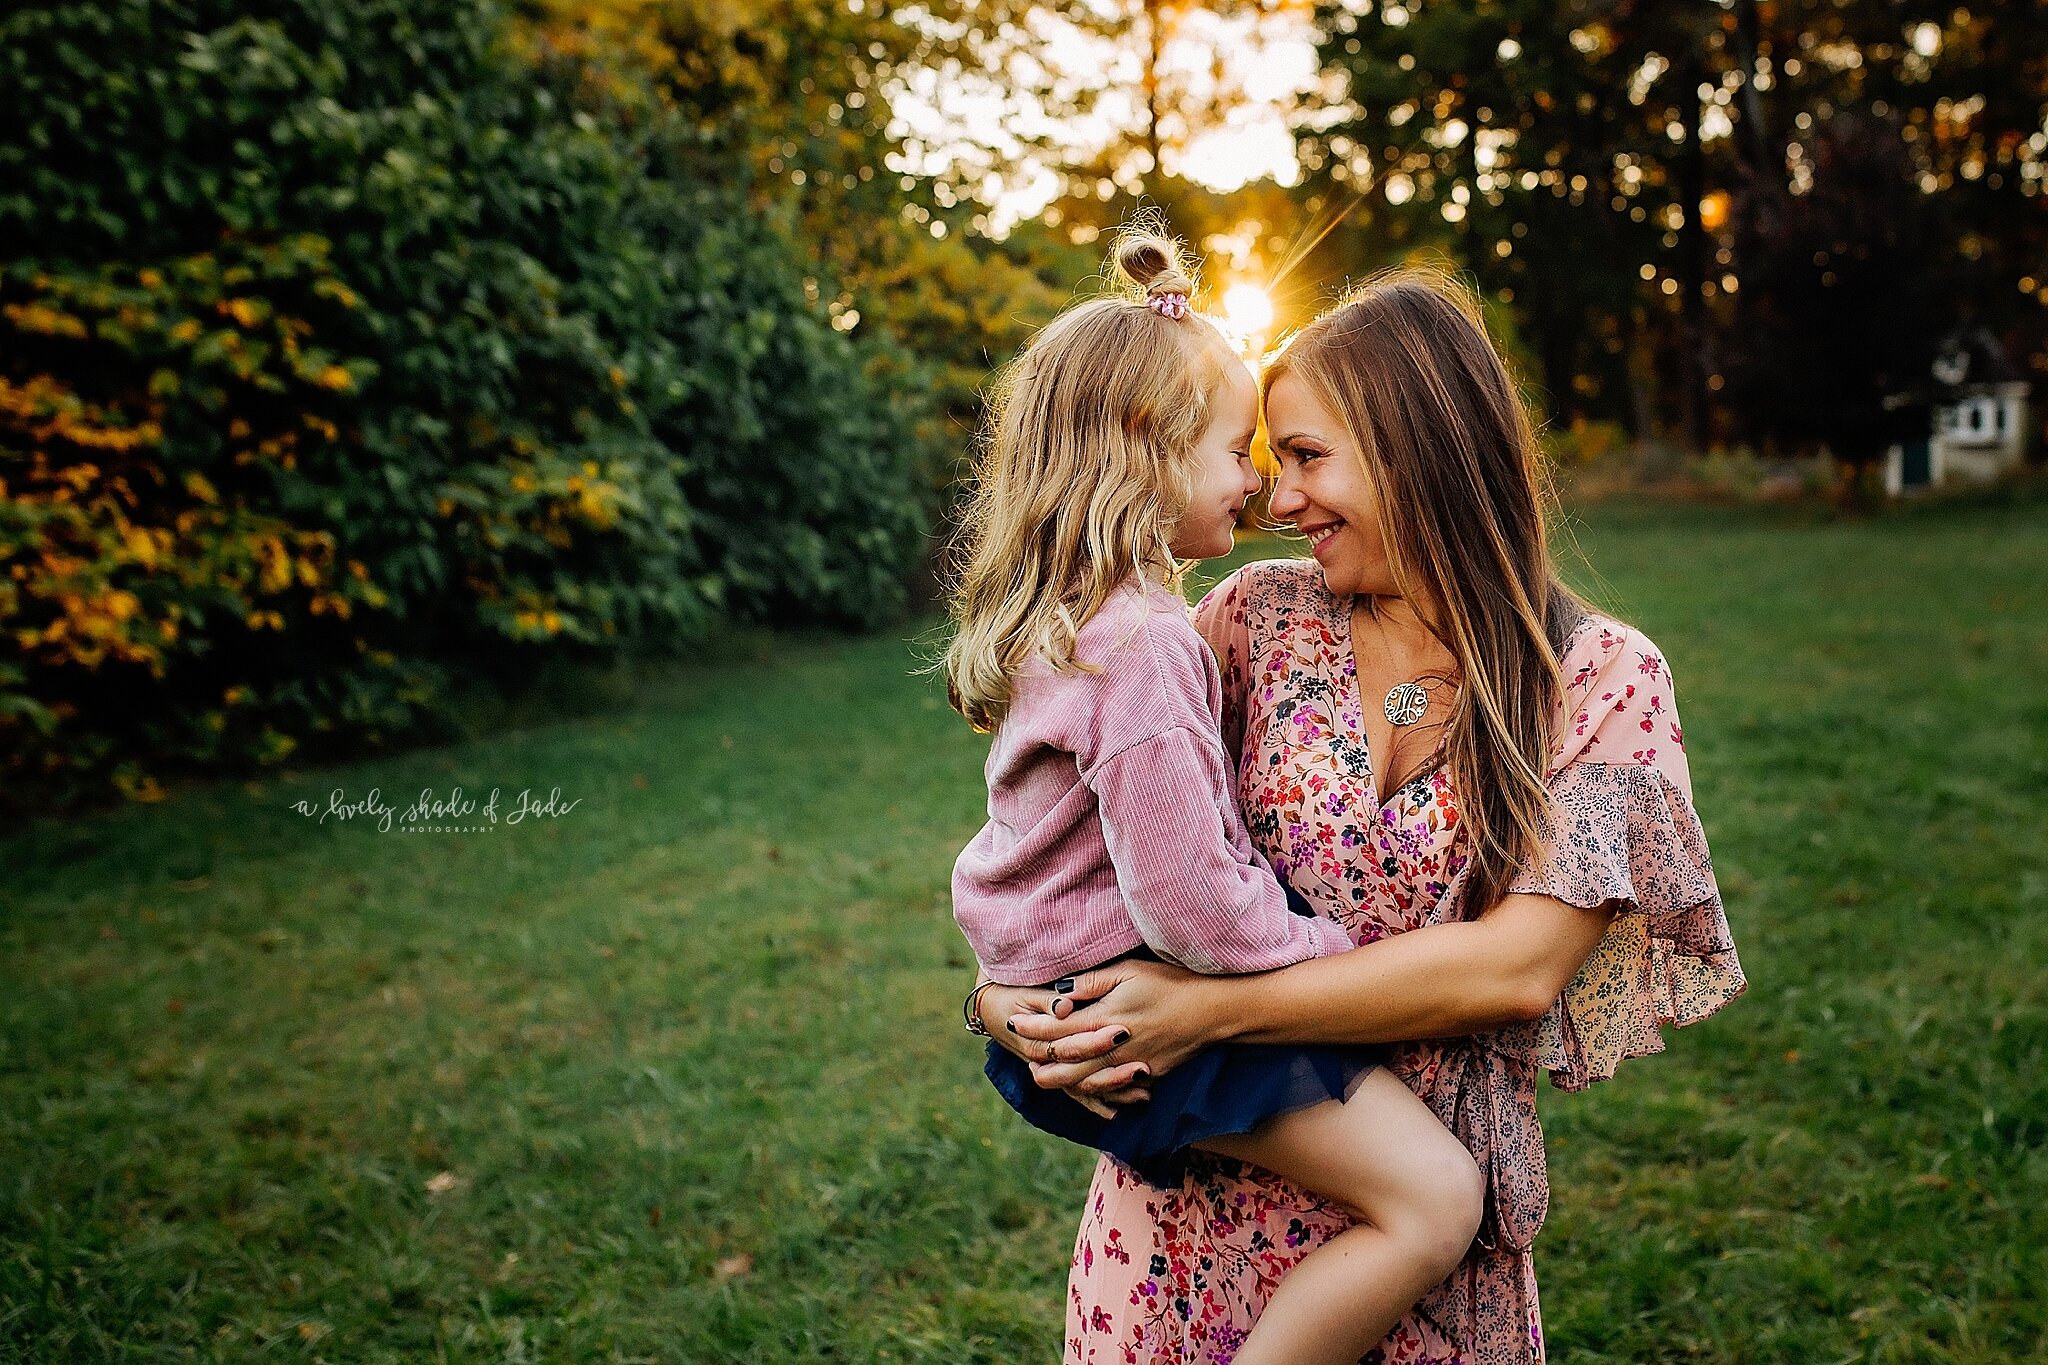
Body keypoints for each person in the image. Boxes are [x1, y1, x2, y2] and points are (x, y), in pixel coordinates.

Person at [970, 268, 1747, 1364]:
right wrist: (1002, 999)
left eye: (1305, 457)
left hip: (1413, 1246)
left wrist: (1204, 1014)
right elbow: (1082, 833)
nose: (1276, 500)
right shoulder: (1246, 620)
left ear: (1417, 448)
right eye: (1266, 458)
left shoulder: (1598, 678)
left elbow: (1514, 971)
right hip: (1180, 1230)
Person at [943, 230, 1487, 1365]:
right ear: (1143, 452)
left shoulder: (1087, 620)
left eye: (1282, 454)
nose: (1257, 485)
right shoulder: (1145, 645)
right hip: (1138, 1014)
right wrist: (1323, 950)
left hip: (1062, 1000)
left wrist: (1001, 988)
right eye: (1236, 451)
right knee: (1433, 1197)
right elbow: (1190, 902)